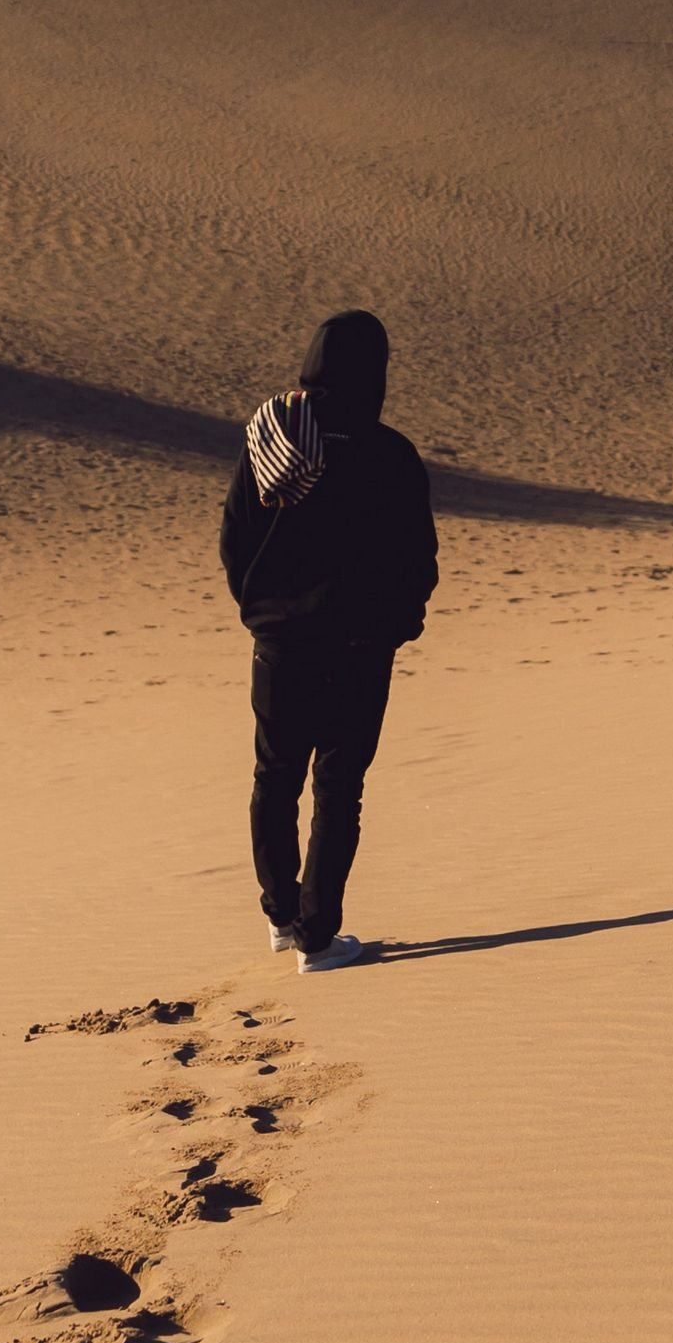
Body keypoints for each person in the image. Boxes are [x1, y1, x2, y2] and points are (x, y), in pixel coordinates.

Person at [220, 309, 436, 971]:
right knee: (339, 786)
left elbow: (235, 541)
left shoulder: (273, 435)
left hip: (282, 641)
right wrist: (399, 626)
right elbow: (417, 559)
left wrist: (263, 611)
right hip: (359, 648)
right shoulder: (390, 453)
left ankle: (283, 918)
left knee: (274, 776)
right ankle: (317, 938)